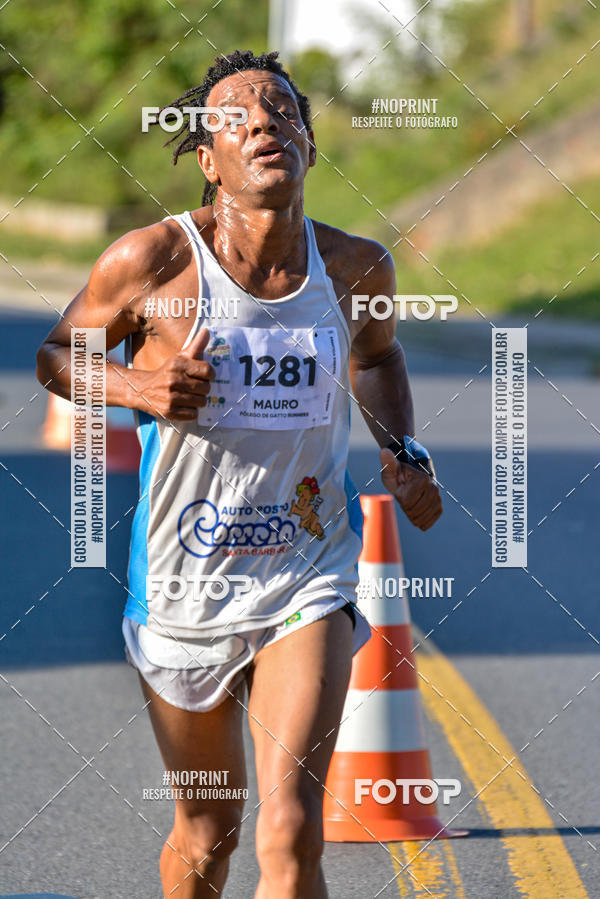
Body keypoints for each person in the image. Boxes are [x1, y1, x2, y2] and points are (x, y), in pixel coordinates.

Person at [37, 49, 442, 899]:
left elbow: (378, 357)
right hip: (183, 583)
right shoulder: (153, 261)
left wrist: (402, 450)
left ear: (309, 147)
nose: (262, 122)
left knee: (290, 825)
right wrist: (137, 384)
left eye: (282, 111)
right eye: (235, 117)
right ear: (208, 159)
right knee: (208, 830)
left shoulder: (357, 268)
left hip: (304, 573)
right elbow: (57, 355)